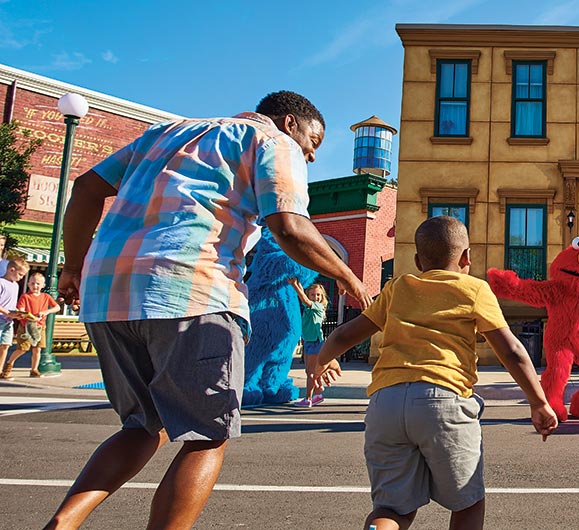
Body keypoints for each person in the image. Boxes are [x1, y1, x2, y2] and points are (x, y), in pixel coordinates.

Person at [45, 91, 373, 530]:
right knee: (207, 437)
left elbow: (86, 187)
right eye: (312, 144)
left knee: (143, 427)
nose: (310, 157)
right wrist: (349, 278)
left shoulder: (166, 133)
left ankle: (64, 522)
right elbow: (289, 226)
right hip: (193, 291)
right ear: (290, 122)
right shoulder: (274, 142)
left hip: (109, 297)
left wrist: (73, 265)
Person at [313, 216, 558, 530]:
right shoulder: (474, 289)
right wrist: (538, 402)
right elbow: (511, 350)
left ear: (417, 261)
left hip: (386, 403)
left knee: (393, 509)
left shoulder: (397, 287)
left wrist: (322, 360)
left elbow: (346, 335)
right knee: (468, 502)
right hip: (443, 398)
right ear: (466, 257)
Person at [6, 272, 60, 377]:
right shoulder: (25, 296)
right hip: (26, 326)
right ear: (28, 284)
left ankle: (34, 369)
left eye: (38, 284)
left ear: (43, 285)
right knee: (22, 348)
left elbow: (57, 307)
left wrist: (46, 312)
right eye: (33, 283)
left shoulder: (46, 296)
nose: (35, 286)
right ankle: (9, 363)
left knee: (37, 349)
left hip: (40, 327)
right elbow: (21, 309)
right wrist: (26, 315)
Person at [289, 278, 328, 406]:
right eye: (313, 294)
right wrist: (298, 283)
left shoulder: (318, 306)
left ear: (322, 297)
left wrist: (295, 286)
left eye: (318, 295)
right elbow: (305, 299)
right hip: (308, 341)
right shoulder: (308, 307)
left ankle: (308, 398)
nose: (316, 297)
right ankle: (317, 393)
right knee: (308, 370)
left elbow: (304, 299)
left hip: (315, 342)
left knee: (311, 372)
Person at [0, 257, 30, 379]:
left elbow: (12, 302)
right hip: (2, 318)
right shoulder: (1, 283)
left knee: (5, 345)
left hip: (9, 321)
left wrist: (17, 312)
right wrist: (7, 312)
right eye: (20, 274)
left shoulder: (16, 286)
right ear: (12, 270)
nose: (21, 277)